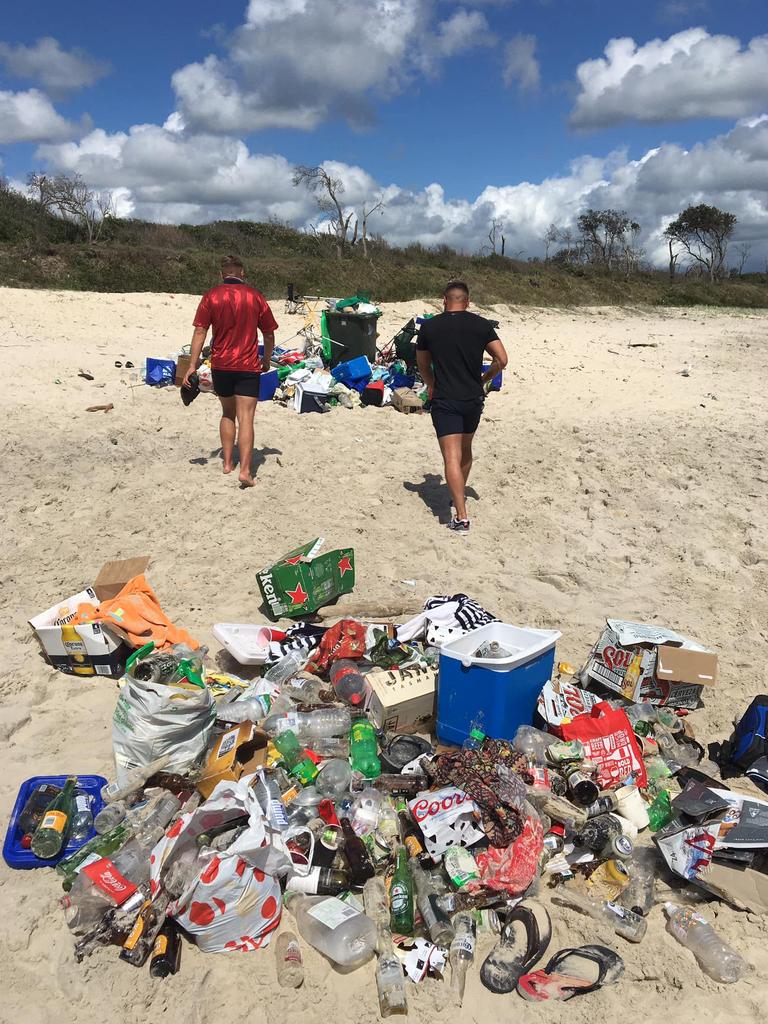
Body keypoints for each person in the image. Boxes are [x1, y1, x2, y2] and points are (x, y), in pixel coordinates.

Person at [416, 281, 508, 533]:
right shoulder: (481, 325)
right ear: (467, 301)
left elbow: (422, 364)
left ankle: (461, 517)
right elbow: (502, 359)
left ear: (444, 300)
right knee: (466, 450)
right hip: (472, 399)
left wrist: (431, 384)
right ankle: (459, 496)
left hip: (446, 399)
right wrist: (483, 379)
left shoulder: (430, 326)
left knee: (451, 457)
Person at [183, 255, 278, 488]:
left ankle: (227, 463)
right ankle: (245, 471)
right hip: (247, 365)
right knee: (246, 418)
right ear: (242, 273)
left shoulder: (211, 296)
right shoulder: (255, 297)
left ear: (221, 274)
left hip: (221, 365)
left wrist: (192, 366)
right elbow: (268, 333)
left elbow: (199, 332)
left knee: (227, 413)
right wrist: (266, 360)